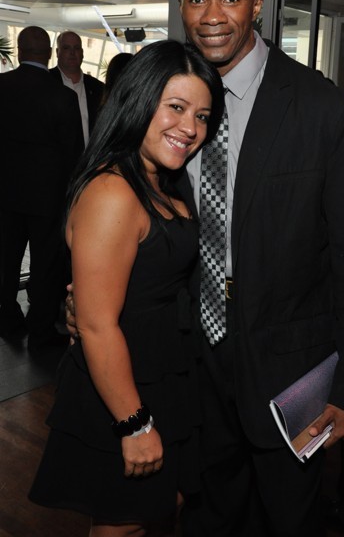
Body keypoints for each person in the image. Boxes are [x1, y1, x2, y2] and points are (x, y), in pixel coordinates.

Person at [173, 0, 344, 537]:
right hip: (193, 361)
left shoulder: (322, 109)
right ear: (183, 6)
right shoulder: (167, 101)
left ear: (258, 6)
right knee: (209, 515)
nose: (212, 15)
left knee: (289, 520)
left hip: (289, 372)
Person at [29, 39, 224, 537]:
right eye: (176, 107)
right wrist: (134, 423)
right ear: (138, 101)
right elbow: (97, 325)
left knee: (161, 506)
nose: (190, 128)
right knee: (123, 526)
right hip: (125, 382)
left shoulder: (159, 178)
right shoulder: (113, 190)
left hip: (162, 369)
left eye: (202, 116)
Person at [0, 26, 83, 348]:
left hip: (6, 195)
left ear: (19, 50)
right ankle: (40, 330)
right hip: (49, 198)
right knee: (45, 265)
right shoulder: (63, 97)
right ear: (49, 53)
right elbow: (73, 152)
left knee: (7, 262)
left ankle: (8, 320)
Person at [50, 31, 104, 146]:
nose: (72, 52)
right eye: (66, 48)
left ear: (82, 53)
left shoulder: (98, 88)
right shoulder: (46, 82)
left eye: (77, 48)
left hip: (91, 156)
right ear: (57, 52)